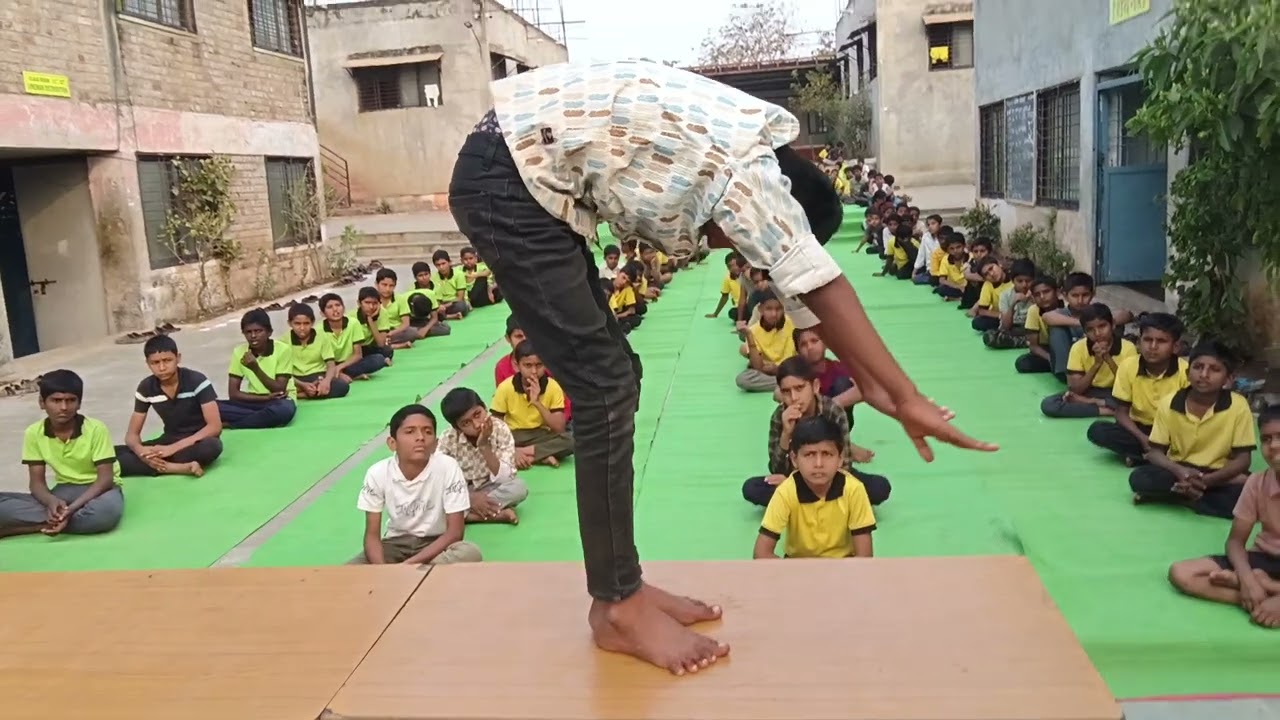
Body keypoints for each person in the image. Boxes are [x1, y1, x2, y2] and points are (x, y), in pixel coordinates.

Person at [448, 59, 992, 676]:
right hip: (510, 179)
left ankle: (624, 585)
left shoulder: (748, 160)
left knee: (616, 380)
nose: (725, 249)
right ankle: (617, 606)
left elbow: (803, 297)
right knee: (603, 389)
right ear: (779, 213)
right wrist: (906, 393)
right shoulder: (749, 178)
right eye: (740, 245)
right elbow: (819, 279)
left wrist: (874, 385)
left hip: (521, 169)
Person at [1167, 406, 1280, 628]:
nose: (1274, 446)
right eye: (1266, 439)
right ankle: (1260, 595)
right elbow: (1236, 542)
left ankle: (1270, 590)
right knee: (1181, 573)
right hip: (1266, 558)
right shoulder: (1257, 482)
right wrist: (1247, 580)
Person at [1129, 340, 1255, 519]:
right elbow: (1155, 452)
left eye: (1214, 369)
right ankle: (1194, 497)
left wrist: (1206, 481)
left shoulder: (1238, 406)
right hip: (1178, 470)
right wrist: (1181, 472)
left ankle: (1181, 498)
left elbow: (1243, 460)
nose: (1204, 374)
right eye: (1198, 367)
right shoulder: (1170, 402)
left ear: (1228, 380)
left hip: (1219, 474)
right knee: (1140, 478)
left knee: (1250, 494)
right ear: (1188, 373)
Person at [742, 356, 889, 508]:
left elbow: (843, 464)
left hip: (831, 476)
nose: (793, 398)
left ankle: (802, 500)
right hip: (795, 476)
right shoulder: (780, 416)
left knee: (879, 487)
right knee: (752, 488)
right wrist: (786, 434)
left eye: (799, 388)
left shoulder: (833, 411)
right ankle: (824, 501)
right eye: (786, 392)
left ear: (815, 386)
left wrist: (795, 484)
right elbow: (776, 469)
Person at [0, 370, 123, 539]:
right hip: (65, 489)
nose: (63, 407)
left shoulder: (96, 429)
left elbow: (105, 479)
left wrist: (70, 510)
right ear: (42, 403)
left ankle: (34, 525)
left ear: (79, 404)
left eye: (70, 401)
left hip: (100, 490)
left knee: (105, 514)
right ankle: (58, 519)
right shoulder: (34, 433)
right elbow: (36, 484)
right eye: (56, 401)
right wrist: (52, 502)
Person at [356, 404, 483, 565]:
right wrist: (382, 570)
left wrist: (409, 565)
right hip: (395, 544)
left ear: (436, 444)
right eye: (410, 432)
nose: (420, 437)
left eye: (427, 431)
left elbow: (455, 532)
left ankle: (413, 572)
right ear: (392, 443)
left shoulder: (448, 467)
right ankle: (421, 573)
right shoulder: (377, 473)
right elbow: (372, 536)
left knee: (469, 552)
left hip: (436, 544)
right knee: (348, 571)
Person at [753, 416, 876, 560]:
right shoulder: (786, 491)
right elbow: (761, 554)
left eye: (827, 454)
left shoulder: (854, 490)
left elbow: (865, 557)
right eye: (809, 454)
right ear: (794, 459)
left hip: (843, 569)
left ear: (840, 458)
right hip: (797, 568)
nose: (818, 464)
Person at [116, 334, 223, 477]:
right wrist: (141, 452)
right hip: (168, 440)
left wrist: (172, 449)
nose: (162, 367)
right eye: (155, 363)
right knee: (110, 455)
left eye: (167, 360)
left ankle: (158, 465)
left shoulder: (197, 381)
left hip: (197, 441)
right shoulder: (146, 387)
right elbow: (132, 435)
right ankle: (177, 467)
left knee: (212, 447)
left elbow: (214, 427)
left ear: (178, 358)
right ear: (147, 363)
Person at [1086, 313, 1187, 464]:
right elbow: (1121, 412)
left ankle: (1144, 458)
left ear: (1175, 347)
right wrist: (1143, 439)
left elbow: (1187, 420)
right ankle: (1154, 458)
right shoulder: (1128, 366)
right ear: (1139, 343)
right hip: (1139, 429)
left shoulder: (1186, 372)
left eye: (1161, 341)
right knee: (1098, 430)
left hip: (1171, 431)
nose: (1152, 347)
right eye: (1147, 340)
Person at [438, 388, 528, 525]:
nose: (477, 424)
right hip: (462, 489)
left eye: (477, 414)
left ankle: (466, 515)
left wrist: (484, 446)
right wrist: (470, 498)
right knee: (433, 500)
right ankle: (494, 515)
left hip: (491, 486)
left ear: (485, 408)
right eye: (466, 423)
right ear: (457, 428)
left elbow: (505, 477)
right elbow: (439, 479)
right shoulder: (448, 439)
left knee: (519, 488)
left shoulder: (500, 429)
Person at [1039, 304, 1137, 419]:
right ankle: (1107, 411)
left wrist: (1108, 359)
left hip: (1116, 392)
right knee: (1049, 404)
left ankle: (1092, 404)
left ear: (1113, 325)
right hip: (1090, 390)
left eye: (1102, 326)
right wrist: (1097, 364)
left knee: (1137, 401)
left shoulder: (1128, 347)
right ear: (1084, 331)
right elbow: (1076, 389)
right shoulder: (1078, 348)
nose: (1097, 333)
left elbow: (1129, 387)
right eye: (1090, 330)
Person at [491, 339, 575, 467]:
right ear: (517, 365)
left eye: (539, 365)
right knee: (489, 443)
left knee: (572, 440)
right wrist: (510, 446)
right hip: (513, 435)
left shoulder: (553, 387)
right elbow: (496, 426)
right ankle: (541, 456)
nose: (534, 371)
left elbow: (559, 428)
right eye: (528, 366)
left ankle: (522, 455)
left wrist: (536, 402)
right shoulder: (505, 387)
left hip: (540, 434)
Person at [215, 308, 297, 430]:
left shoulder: (283, 350)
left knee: (283, 411)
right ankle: (259, 419)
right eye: (248, 332)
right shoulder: (239, 352)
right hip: (254, 401)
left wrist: (255, 368)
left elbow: (279, 389)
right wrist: (265, 398)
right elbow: (233, 394)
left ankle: (233, 424)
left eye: (258, 331)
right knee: (211, 407)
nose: (253, 336)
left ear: (269, 332)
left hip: (280, 401)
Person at [287, 303, 351, 401]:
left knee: (342, 387)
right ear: (290, 323)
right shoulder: (283, 342)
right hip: (296, 380)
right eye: (297, 324)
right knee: (276, 387)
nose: (302, 328)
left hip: (317, 377)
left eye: (306, 323)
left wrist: (326, 381)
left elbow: (330, 364)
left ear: (312, 323)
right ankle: (307, 393)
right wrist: (302, 385)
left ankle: (301, 394)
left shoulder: (322, 337)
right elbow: (284, 372)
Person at [319, 293, 389, 381]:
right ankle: (340, 375)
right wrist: (334, 369)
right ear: (322, 313)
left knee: (378, 359)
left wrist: (339, 367)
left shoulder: (353, 323)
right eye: (329, 307)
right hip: (328, 365)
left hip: (348, 363)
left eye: (338, 305)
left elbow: (358, 355)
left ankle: (341, 374)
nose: (335, 309)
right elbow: (320, 359)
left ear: (344, 308)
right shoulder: (318, 330)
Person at [735, 291, 796, 392]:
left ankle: (788, 382)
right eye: (769, 309)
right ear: (761, 310)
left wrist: (779, 369)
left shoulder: (793, 323)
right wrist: (749, 335)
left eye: (778, 309)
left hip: (791, 368)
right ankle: (788, 383)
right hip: (767, 371)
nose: (774, 314)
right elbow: (758, 367)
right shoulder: (754, 330)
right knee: (743, 379)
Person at [982, 260, 1036, 350]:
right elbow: (1005, 327)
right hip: (1014, 329)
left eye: (1028, 281)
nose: (1024, 285)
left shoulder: (1037, 294)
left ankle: (1026, 342)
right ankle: (1025, 342)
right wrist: (1013, 304)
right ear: (1013, 281)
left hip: (1032, 330)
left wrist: (1034, 300)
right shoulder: (1005, 295)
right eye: (1020, 281)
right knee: (989, 336)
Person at [1016, 275, 1063, 374]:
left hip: (1067, 347)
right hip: (1047, 349)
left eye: (1046, 292)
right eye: (1037, 294)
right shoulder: (1033, 310)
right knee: (1022, 363)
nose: (1042, 297)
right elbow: (1034, 346)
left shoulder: (1066, 308)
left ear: (1057, 292)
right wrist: (1051, 359)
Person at [402, 262, 451, 340]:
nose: (424, 278)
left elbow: (435, 316)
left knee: (446, 329)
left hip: (429, 317)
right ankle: (416, 332)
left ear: (430, 274)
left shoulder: (433, 291)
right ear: (415, 277)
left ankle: (418, 332)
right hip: (414, 319)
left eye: (426, 274)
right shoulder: (410, 291)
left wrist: (425, 329)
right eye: (420, 276)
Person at [374, 269, 415, 349]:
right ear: (376, 284)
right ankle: (397, 346)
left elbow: (406, 324)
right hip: (378, 331)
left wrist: (391, 333)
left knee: (412, 333)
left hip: (396, 332)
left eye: (391, 286)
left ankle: (385, 345)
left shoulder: (400, 299)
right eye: (384, 285)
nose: (387, 289)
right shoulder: (372, 300)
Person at [969, 257, 1012, 332]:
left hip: (1019, 314)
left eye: (991, 268)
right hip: (1000, 316)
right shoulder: (988, 285)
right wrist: (1001, 315)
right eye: (986, 274)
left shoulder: (1014, 278)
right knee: (977, 322)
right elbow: (982, 310)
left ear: (999, 265)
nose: (991, 274)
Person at [432, 250, 472, 318]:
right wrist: (439, 306)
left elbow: (460, 297)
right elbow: (435, 298)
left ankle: (441, 316)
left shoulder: (459, 274)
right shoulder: (433, 277)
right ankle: (451, 316)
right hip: (441, 304)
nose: (441, 267)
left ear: (449, 262)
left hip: (454, 303)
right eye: (438, 265)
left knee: (461, 306)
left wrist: (444, 306)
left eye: (443, 263)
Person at [705, 252, 745, 321]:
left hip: (749, 305)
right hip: (739, 308)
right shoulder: (728, 278)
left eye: (735, 265)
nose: (734, 268)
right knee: (732, 312)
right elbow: (724, 296)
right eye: (730, 266)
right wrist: (715, 314)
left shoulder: (746, 275)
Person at [933, 234, 969, 300]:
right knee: (942, 289)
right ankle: (960, 298)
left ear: (964, 246)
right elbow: (942, 280)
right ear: (948, 250)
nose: (955, 251)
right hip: (956, 287)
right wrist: (958, 287)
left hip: (969, 288)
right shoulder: (945, 259)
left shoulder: (971, 258)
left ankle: (957, 298)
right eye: (952, 249)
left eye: (958, 247)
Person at [912, 214, 944, 285]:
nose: (930, 227)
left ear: (940, 224)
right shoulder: (926, 236)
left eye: (933, 223)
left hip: (944, 269)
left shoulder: (944, 237)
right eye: (928, 225)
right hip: (930, 269)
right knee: (916, 279)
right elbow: (921, 254)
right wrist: (914, 272)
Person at [609, 266, 642, 333]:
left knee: (636, 319)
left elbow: (631, 311)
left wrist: (617, 316)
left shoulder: (627, 289)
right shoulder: (606, 283)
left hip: (618, 315)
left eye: (627, 281)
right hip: (605, 313)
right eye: (623, 277)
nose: (623, 282)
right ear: (618, 273)